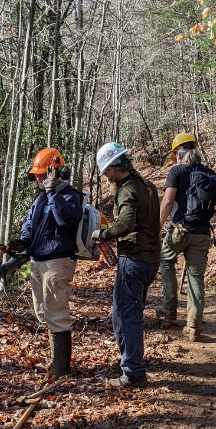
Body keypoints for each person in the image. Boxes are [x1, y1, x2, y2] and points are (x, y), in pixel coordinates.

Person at [6, 147, 83, 376]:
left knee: (57, 313)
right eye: (37, 176)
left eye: (42, 175)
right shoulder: (40, 200)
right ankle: (55, 359)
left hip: (57, 262)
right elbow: (29, 224)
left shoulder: (70, 196)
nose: (38, 179)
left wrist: (53, 193)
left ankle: (62, 368)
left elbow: (66, 220)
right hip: (37, 261)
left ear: (55, 173)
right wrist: (22, 242)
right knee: (43, 312)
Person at [91, 142, 160, 389]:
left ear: (111, 168)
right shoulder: (147, 186)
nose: (105, 177)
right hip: (150, 259)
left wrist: (102, 234)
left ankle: (132, 372)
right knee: (128, 313)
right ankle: (131, 363)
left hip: (134, 259)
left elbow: (126, 224)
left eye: (105, 172)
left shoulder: (128, 190)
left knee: (125, 316)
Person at [157, 133, 216, 342]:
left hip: (179, 230)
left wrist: (157, 226)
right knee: (196, 277)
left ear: (178, 154)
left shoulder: (176, 171)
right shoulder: (209, 173)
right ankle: (194, 325)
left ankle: (169, 311)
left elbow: (168, 201)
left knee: (166, 261)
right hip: (202, 233)